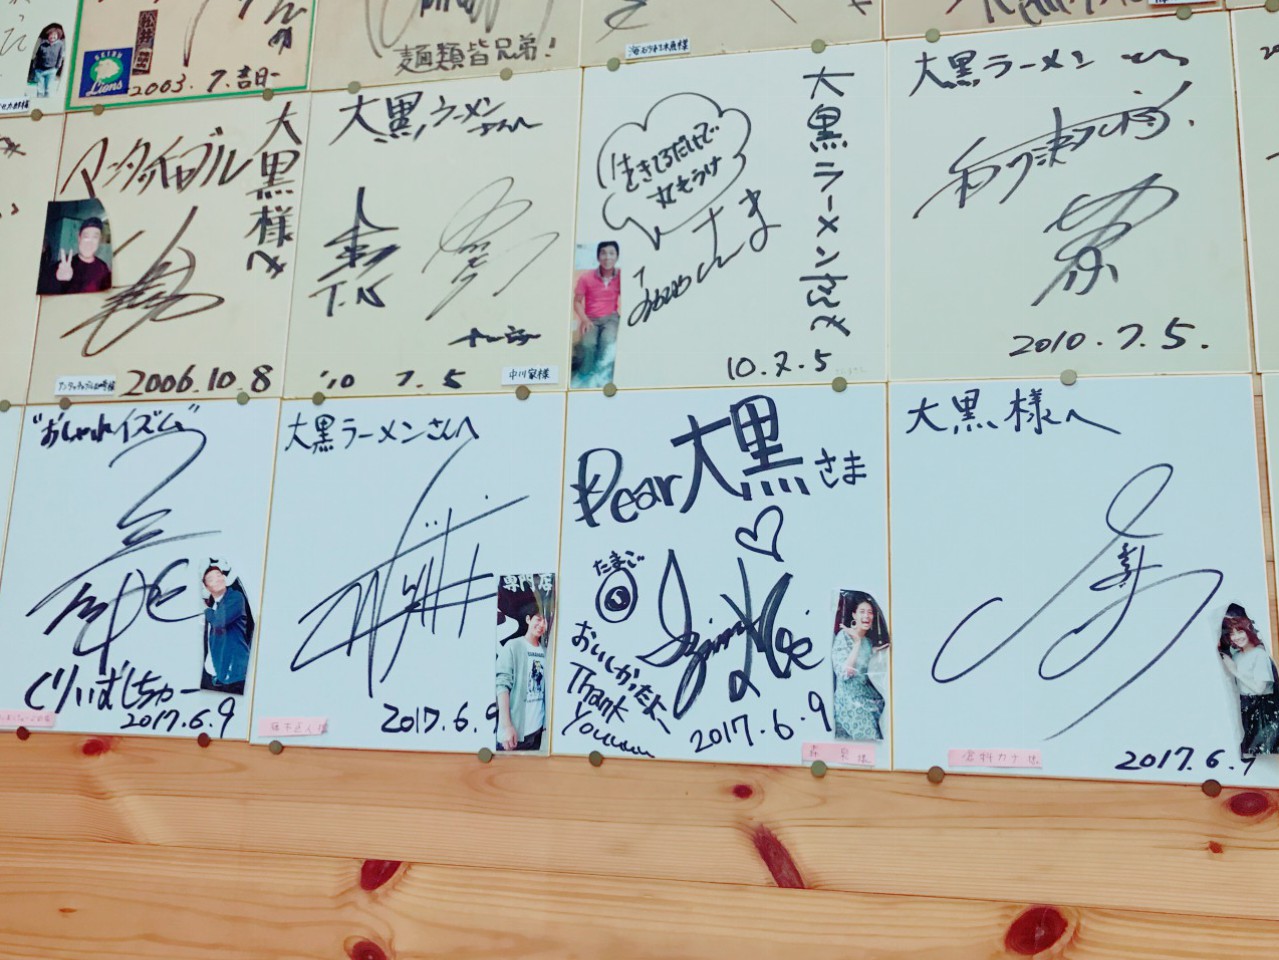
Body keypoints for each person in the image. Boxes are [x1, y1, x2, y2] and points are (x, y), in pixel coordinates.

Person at [1218, 613, 1279, 758]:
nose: (1236, 637)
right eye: (1232, 633)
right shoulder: (1237, 656)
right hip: (1246, 709)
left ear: (1249, 630)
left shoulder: (1260, 655)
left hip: (1261, 712)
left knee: (1262, 756)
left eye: (1240, 631)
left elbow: (1260, 689)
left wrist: (1235, 671)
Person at [831, 590, 890, 741]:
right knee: (871, 739)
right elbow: (845, 673)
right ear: (854, 615)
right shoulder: (843, 636)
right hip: (848, 699)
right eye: (862, 612)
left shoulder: (868, 642)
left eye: (870, 612)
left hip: (866, 696)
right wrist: (856, 643)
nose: (866, 616)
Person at [496, 603, 549, 751]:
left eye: (545, 621)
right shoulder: (513, 646)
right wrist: (507, 726)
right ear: (528, 619)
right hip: (514, 734)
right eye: (538, 619)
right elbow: (502, 685)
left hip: (538, 732)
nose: (542, 625)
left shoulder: (546, 652)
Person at [571, 241, 621, 387]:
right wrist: (585, 320)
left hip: (611, 318)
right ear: (598, 256)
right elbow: (577, 301)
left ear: (617, 256)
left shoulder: (622, 276)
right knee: (588, 344)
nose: (607, 257)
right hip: (591, 318)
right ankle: (585, 373)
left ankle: (601, 374)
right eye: (603, 253)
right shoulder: (586, 277)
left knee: (608, 341)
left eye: (611, 253)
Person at [202, 563, 253, 692]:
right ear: (207, 587)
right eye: (211, 579)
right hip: (215, 674)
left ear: (224, 578)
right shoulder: (215, 605)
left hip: (234, 675)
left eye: (219, 575)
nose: (217, 579)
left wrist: (207, 611)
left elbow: (219, 622)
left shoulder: (235, 597)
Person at [43, 217, 112, 294]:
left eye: (95, 237)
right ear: (79, 238)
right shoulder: (62, 266)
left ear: (99, 241)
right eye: (86, 237)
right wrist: (59, 281)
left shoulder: (103, 268)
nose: (90, 242)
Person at [30, 25, 64, 99]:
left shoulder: (60, 44)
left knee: (48, 89)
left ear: (58, 36)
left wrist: (57, 67)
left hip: (51, 70)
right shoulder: (42, 44)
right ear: (48, 36)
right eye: (51, 35)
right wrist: (35, 67)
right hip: (40, 70)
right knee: (40, 90)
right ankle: (39, 102)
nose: (53, 37)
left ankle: (46, 103)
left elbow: (60, 56)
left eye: (55, 35)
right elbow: (37, 56)